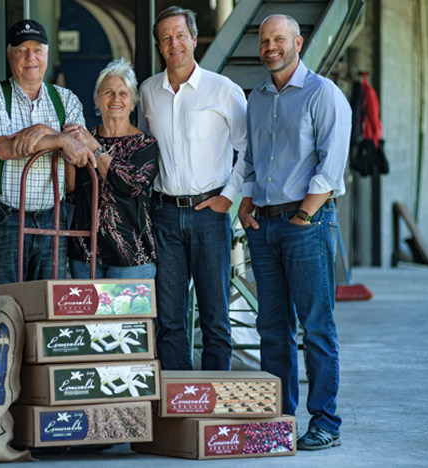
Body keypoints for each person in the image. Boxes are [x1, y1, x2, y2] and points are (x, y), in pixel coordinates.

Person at [238, 14, 351, 450]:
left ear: (298, 43)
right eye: (265, 40)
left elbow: (331, 166)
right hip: (264, 225)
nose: (271, 47)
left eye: (279, 39)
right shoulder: (257, 97)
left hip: (307, 224)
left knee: (316, 326)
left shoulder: (323, 93)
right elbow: (252, 161)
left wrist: (303, 217)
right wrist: (247, 203)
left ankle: (325, 421)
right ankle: (279, 418)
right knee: (272, 328)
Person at [138, 6, 247, 370]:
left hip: (209, 214)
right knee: (169, 319)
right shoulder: (148, 92)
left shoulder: (223, 90)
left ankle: (214, 398)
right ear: (159, 45)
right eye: (166, 38)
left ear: (195, 39)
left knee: (215, 317)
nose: (174, 44)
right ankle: (179, 397)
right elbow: (143, 149)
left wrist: (228, 198)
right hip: (164, 215)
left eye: (181, 35)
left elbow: (249, 150)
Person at [0, 19, 95, 286]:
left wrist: (43, 133)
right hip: (3, 218)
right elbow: (4, 148)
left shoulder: (66, 99)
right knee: (5, 301)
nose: (31, 58)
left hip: (53, 217)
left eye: (38, 50)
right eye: (22, 50)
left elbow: (79, 153)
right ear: (9, 55)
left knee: (47, 301)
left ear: (47, 55)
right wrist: (59, 139)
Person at [64, 58, 159, 279]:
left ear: (133, 103)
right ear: (97, 100)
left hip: (131, 258)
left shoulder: (145, 145)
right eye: (108, 92)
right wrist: (66, 149)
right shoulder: (84, 138)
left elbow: (130, 185)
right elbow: (71, 192)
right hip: (85, 254)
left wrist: (95, 148)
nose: (116, 98)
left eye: (123, 93)